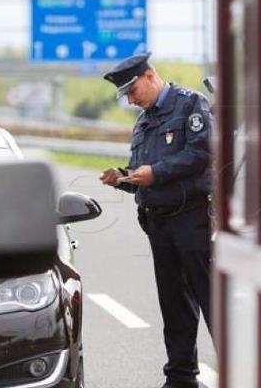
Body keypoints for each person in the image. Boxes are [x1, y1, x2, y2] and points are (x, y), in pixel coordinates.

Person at [99, 52, 214, 388]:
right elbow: (144, 173)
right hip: (159, 224)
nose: (131, 100)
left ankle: (241, 372)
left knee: (211, 300)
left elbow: (203, 152)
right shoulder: (144, 121)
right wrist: (123, 178)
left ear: (149, 77)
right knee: (174, 306)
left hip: (192, 220)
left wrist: (157, 173)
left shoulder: (190, 105)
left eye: (133, 91)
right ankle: (181, 377)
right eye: (127, 96)